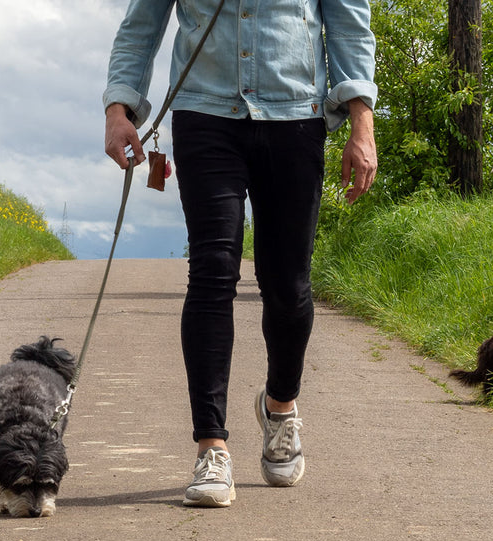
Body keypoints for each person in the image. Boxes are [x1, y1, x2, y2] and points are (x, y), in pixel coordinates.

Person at [103, 0, 378, 507]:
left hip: (295, 114)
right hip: (204, 113)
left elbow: (348, 26)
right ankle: (212, 446)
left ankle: (280, 406)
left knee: (289, 286)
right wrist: (119, 107)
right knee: (211, 272)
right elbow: (142, 24)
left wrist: (362, 122)